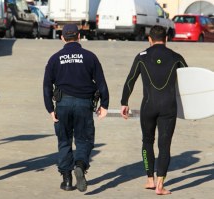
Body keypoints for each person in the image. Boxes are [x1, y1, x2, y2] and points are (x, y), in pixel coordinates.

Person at [120, 25, 188, 195]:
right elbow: (189, 81)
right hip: (168, 107)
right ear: (166, 39)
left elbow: (130, 80)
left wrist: (124, 102)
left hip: (148, 106)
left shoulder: (141, 56)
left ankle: (149, 179)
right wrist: (193, 108)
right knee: (164, 146)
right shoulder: (176, 57)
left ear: (149, 39)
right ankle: (159, 185)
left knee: (147, 141)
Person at [43, 24, 109, 192]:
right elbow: (101, 82)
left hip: (63, 104)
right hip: (84, 104)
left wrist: (50, 109)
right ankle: (80, 165)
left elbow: (46, 87)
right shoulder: (90, 57)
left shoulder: (54, 58)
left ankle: (66, 180)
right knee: (84, 139)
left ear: (62, 38)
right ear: (79, 36)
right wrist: (104, 104)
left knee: (64, 140)